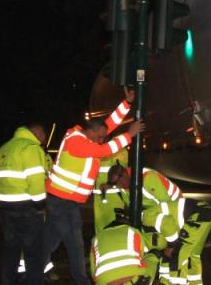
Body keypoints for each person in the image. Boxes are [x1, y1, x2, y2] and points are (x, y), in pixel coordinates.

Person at [44, 88, 144, 284]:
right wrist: (129, 135)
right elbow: (104, 150)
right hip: (62, 201)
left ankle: (31, 273)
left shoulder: (87, 136)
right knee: (75, 244)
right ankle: (82, 281)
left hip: (65, 200)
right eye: (100, 137)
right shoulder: (75, 141)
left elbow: (108, 124)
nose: (102, 140)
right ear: (91, 132)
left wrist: (127, 103)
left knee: (50, 241)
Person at [106, 165, 211, 285]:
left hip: (176, 213)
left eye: (119, 182)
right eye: (115, 184)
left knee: (177, 253)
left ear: (125, 174)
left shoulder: (148, 179)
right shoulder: (126, 189)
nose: (120, 185)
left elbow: (167, 207)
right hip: (161, 215)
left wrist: (172, 243)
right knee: (190, 254)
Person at [0, 122, 50, 285]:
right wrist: (40, 205)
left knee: (11, 250)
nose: (44, 140)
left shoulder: (4, 148)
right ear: (39, 134)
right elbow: (36, 180)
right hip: (27, 207)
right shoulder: (31, 148)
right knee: (33, 253)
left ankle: (7, 281)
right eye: (44, 137)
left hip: (6, 207)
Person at [89, 216, 158, 285]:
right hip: (131, 274)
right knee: (150, 262)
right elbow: (142, 253)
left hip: (105, 279)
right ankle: (155, 256)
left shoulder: (96, 239)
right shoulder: (132, 231)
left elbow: (93, 270)